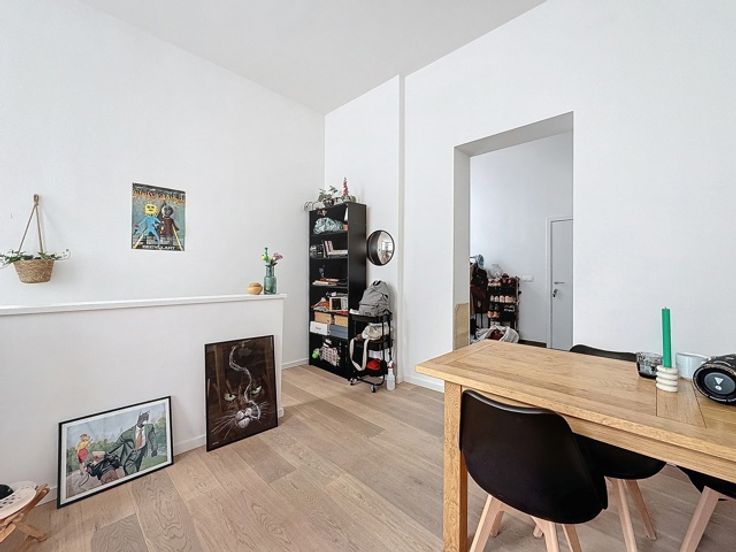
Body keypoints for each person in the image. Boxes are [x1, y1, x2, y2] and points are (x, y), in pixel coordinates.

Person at [107, 411, 158, 475]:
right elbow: (117, 444)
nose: (146, 419)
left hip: (140, 456)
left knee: (135, 472)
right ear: (139, 418)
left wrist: (154, 449)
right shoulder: (127, 434)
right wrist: (108, 452)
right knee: (132, 472)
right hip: (129, 457)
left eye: (147, 418)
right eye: (144, 418)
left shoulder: (149, 428)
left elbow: (153, 438)